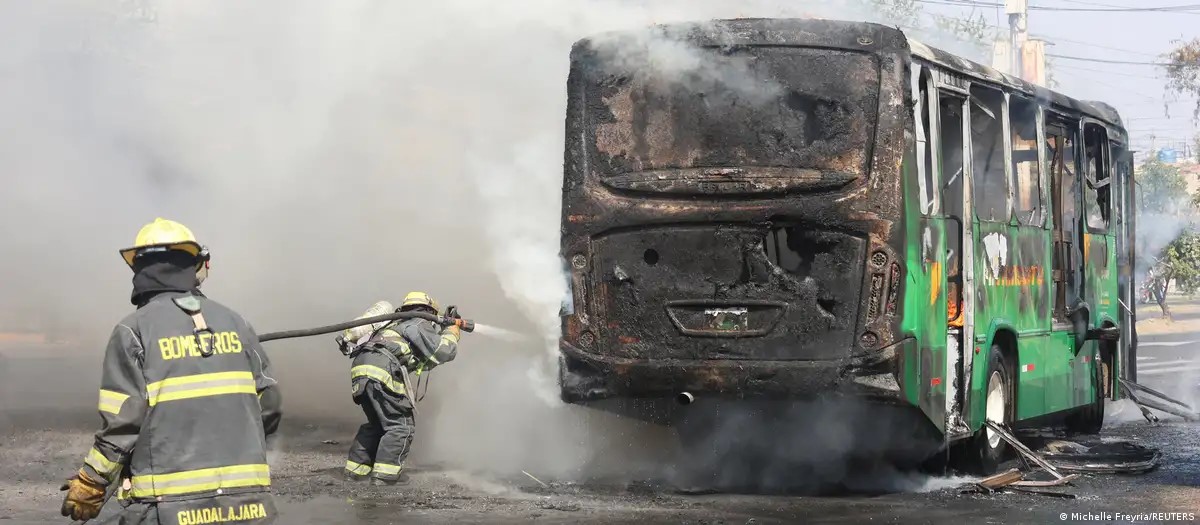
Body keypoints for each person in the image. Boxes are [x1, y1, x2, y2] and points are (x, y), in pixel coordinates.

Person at [59, 218, 282, 524]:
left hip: (167, 508)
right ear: (195, 265)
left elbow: (123, 424)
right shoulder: (237, 324)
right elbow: (269, 406)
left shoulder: (133, 330)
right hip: (249, 505)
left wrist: (92, 482)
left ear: (138, 270)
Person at [340, 292, 464, 485]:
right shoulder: (417, 323)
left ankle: (355, 472)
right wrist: (452, 332)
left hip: (362, 369)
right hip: (382, 370)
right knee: (400, 427)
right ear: (429, 311)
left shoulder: (393, 323)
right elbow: (442, 351)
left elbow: (424, 358)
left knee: (377, 424)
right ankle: (384, 477)